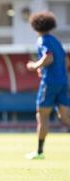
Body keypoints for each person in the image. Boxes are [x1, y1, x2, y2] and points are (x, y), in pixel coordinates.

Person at [25, 11, 70, 160]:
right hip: (63, 82)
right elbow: (66, 62)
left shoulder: (42, 40)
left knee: (42, 116)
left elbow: (48, 57)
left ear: (35, 26)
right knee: (65, 117)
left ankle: (39, 152)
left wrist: (35, 66)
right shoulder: (56, 41)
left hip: (49, 83)